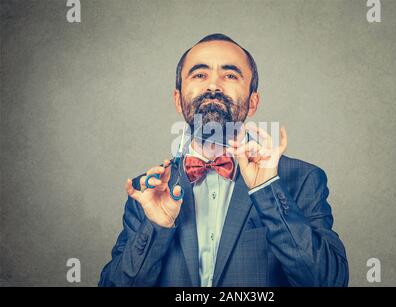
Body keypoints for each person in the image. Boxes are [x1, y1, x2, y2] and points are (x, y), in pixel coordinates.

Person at [99, 33, 349, 287]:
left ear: (253, 103)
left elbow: (328, 282)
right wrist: (156, 226)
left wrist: (268, 191)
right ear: (178, 100)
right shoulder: (148, 191)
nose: (213, 86)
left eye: (230, 75)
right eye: (199, 74)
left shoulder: (303, 179)